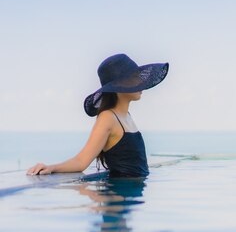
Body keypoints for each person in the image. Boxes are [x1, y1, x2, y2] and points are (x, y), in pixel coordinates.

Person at [27, 53, 169, 177]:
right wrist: (52, 167)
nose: (140, 82)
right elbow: (81, 161)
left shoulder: (126, 116)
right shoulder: (108, 117)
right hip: (118, 201)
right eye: (134, 78)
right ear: (118, 85)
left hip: (133, 199)